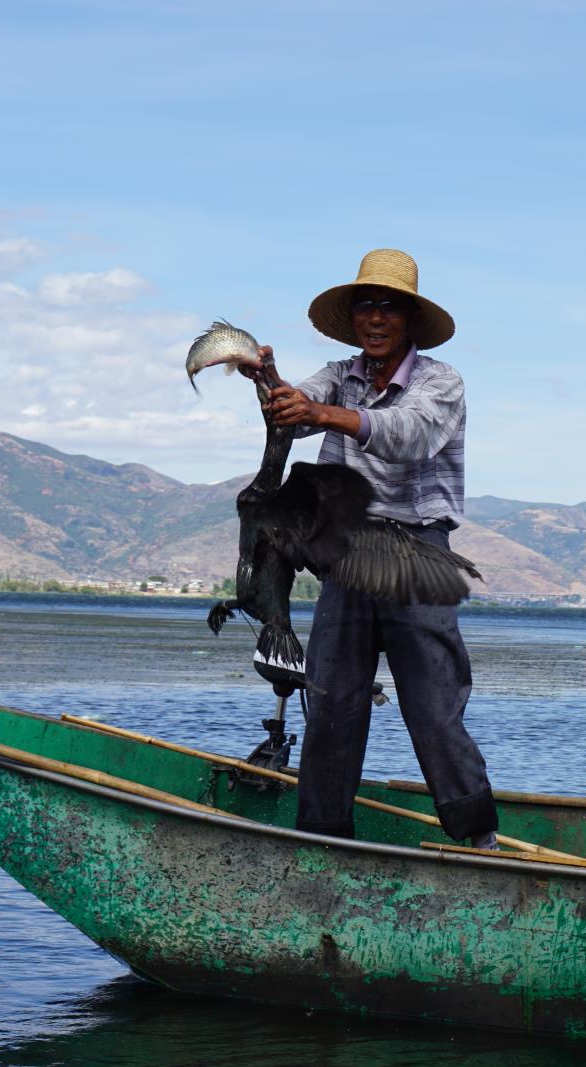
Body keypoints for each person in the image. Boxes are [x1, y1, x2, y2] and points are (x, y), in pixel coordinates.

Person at [253, 248, 499, 849]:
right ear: (354, 316)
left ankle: (475, 837)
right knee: (333, 700)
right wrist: (270, 385)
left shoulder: (441, 383)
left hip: (418, 553)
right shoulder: (339, 375)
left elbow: (406, 436)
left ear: (409, 319)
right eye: (367, 305)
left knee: (434, 706)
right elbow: (296, 412)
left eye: (390, 306)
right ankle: (323, 839)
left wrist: (323, 414)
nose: (377, 317)